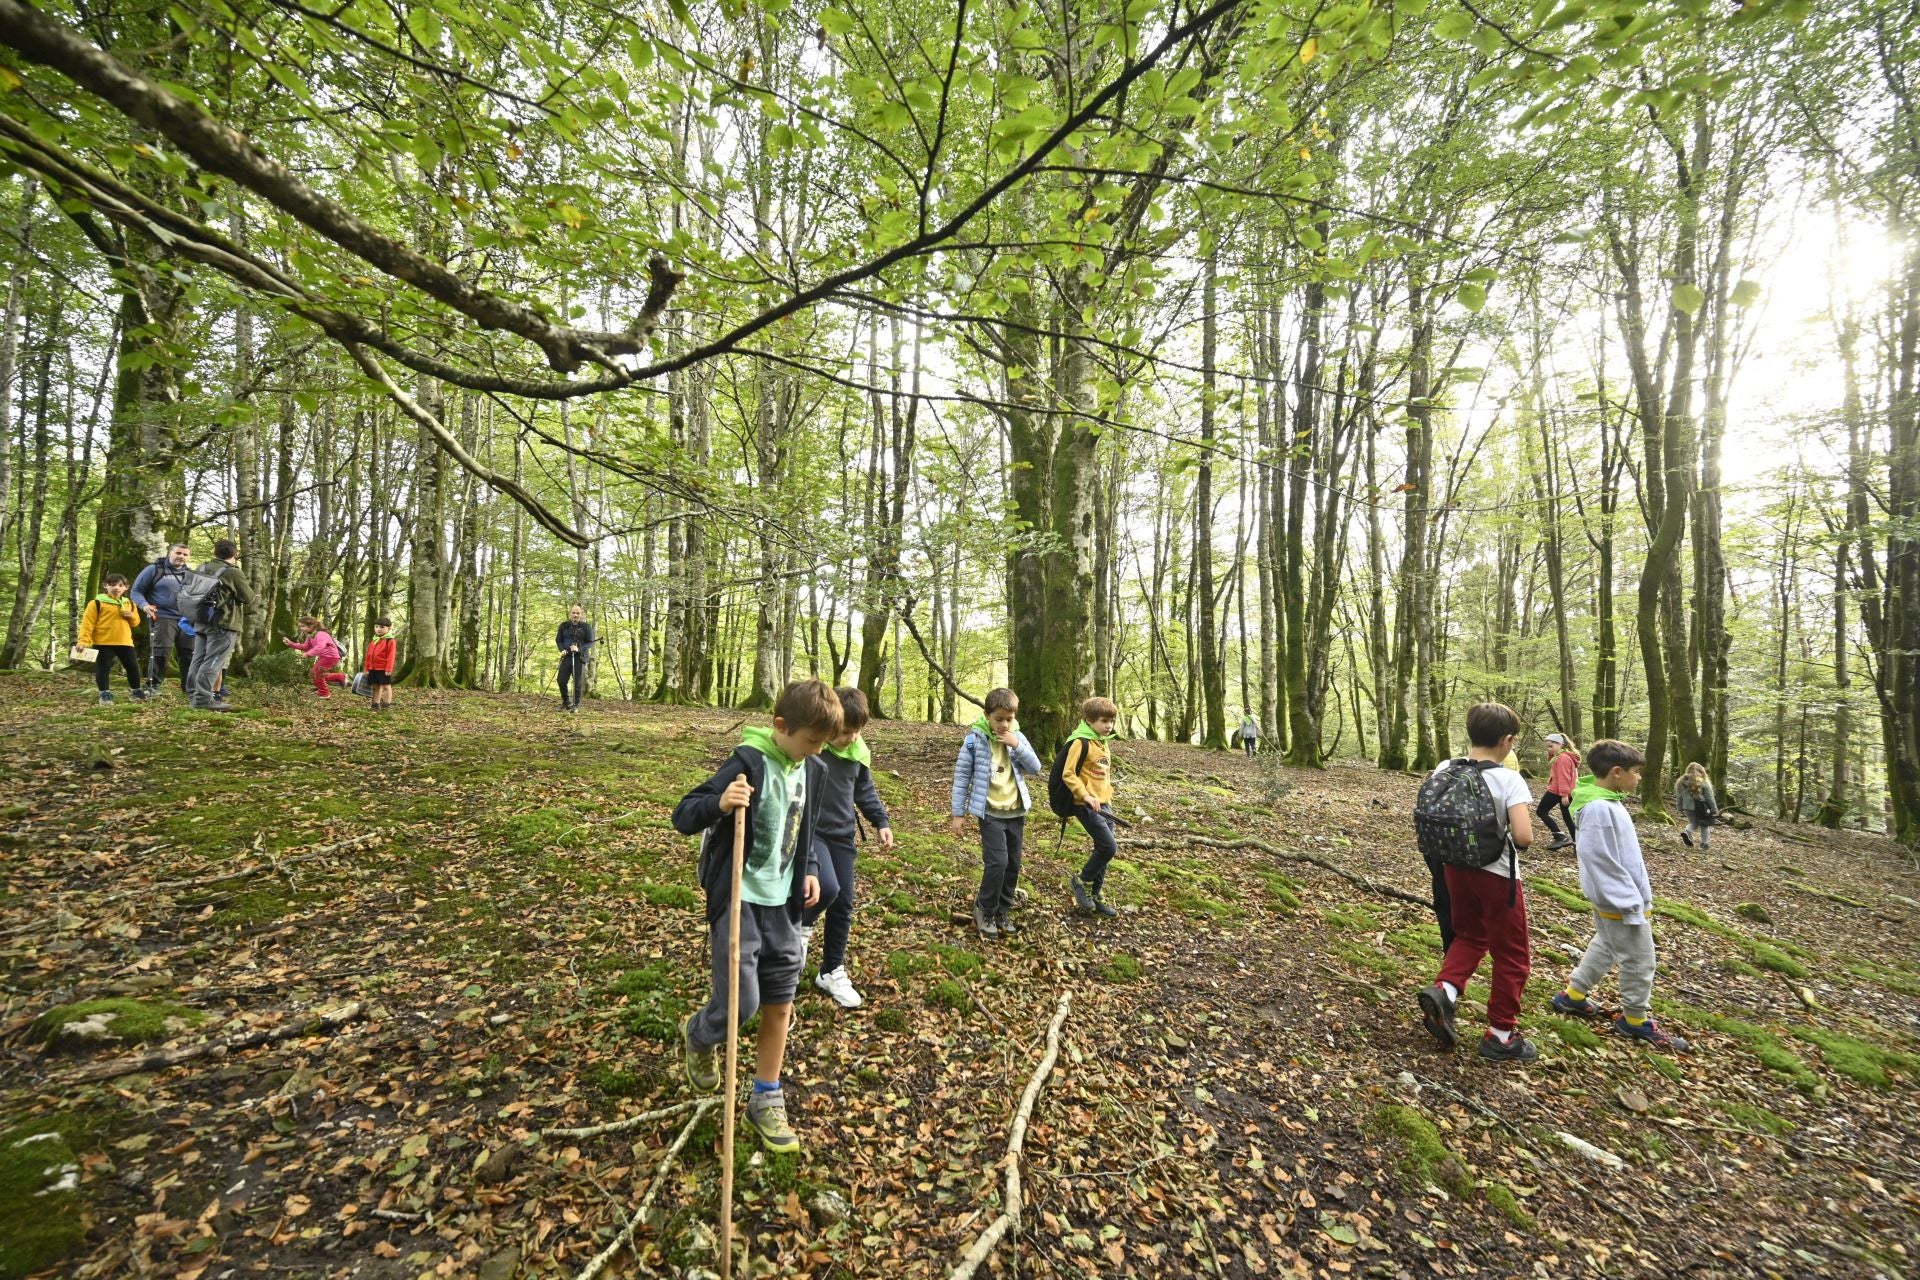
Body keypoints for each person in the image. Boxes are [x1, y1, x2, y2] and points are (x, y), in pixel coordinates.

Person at [672, 679, 839, 1153]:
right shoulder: (748, 763)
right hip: (741, 904)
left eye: (822, 744)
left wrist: (807, 867)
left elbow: (803, 824)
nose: (815, 751)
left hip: (784, 907)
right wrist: (721, 803)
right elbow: (684, 814)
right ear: (781, 726)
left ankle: (765, 1096)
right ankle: (700, 1033)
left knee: (780, 1004)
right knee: (739, 1006)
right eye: (810, 741)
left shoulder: (812, 768)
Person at [1416, 702, 1537, 1062]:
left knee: (1469, 934)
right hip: (1497, 874)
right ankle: (1500, 1035)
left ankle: (1445, 991)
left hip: (1453, 867)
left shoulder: (1444, 768)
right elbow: (1524, 836)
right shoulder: (1508, 779)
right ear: (1507, 740)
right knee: (1513, 955)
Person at [1553, 740, 1692, 1052]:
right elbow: (1599, 860)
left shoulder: (1607, 802)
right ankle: (1634, 1019)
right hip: (1619, 901)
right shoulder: (1600, 808)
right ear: (1616, 772)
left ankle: (1572, 996)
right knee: (1641, 959)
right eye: (1636, 772)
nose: (1640, 777)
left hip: (1618, 898)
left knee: (1606, 945)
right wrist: (1629, 902)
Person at [805, 687, 894, 1008]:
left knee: (843, 902)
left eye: (858, 731)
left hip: (842, 836)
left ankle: (830, 970)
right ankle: (798, 930)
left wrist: (881, 821)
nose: (852, 738)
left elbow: (865, 791)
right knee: (824, 888)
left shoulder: (857, 752)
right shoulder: (812, 750)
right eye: (845, 731)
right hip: (811, 833)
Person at [948, 688, 1042, 939]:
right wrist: (958, 814)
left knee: (1013, 864)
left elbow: (1035, 767)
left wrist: (1017, 745)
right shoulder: (974, 740)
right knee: (997, 863)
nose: (1004, 724)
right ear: (987, 715)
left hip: (1015, 813)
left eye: (1009, 719)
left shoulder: (1017, 737)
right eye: (998, 718)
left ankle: (1003, 910)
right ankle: (985, 909)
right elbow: (961, 778)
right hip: (990, 813)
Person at [1064, 697, 1123, 918]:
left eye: (1112, 721)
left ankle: (1096, 896)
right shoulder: (1081, 742)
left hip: (1105, 804)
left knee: (1104, 851)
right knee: (1109, 847)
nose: (1109, 725)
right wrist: (1085, 795)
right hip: (1086, 804)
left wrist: (1106, 797)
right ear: (1089, 720)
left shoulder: (1102, 742)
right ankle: (1081, 881)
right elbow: (1068, 774)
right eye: (1103, 720)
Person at [185, 539, 256, 712]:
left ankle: (194, 694)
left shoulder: (203, 567)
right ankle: (202, 700)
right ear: (235, 554)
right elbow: (248, 597)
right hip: (223, 623)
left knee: (198, 659)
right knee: (214, 661)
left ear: (215, 552)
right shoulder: (232, 572)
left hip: (201, 621)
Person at [130, 543, 194, 695]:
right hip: (163, 616)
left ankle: (189, 687)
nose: (181, 557)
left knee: (189, 653)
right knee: (161, 651)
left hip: (187, 619)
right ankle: (153, 685)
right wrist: (144, 606)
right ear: (169, 553)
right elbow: (136, 591)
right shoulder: (154, 569)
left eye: (185, 554)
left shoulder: (191, 574)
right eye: (178, 553)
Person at [78, 574, 146, 705]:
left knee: (132, 667)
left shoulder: (129, 603)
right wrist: (83, 641)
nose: (116, 588)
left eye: (120, 585)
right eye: (112, 584)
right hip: (103, 642)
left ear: (126, 588)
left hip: (125, 642)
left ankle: (136, 691)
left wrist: (131, 616)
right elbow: (87, 623)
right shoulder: (96, 603)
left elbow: (136, 623)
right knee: (103, 668)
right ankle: (104, 694)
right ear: (105, 586)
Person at [285, 616, 348, 698]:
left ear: (311, 626)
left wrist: (307, 654)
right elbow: (305, 646)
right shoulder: (310, 636)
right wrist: (290, 644)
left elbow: (320, 647)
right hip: (325, 657)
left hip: (331, 656)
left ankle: (324, 693)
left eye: (303, 626)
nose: (301, 629)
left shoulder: (321, 634)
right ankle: (341, 677)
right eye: (300, 627)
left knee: (314, 672)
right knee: (319, 673)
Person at [1539, 732, 1580, 851]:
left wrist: (1564, 795)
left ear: (1560, 744)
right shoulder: (1562, 756)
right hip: (1564, 791)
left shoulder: (1563, 758)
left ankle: (1560, 836)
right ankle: (1578, 846)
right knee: (1568, 819)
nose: (1548, 749)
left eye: (1550, 746)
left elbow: (1564, 777)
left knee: (1541, 811)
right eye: (1547, 747)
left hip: (1558, 791)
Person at [555, 604, 595, 712]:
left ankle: (576, 705)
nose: (575, 615)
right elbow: (558, 640)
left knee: (577, 682)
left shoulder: (586, 627)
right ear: (570, 613)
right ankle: (566, 702)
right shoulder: (563, 625)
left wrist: (579, 649)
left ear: (581, 614)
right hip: (566, 656)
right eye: (573, 613)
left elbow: (590, 642)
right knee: (561, 680)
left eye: (577, 613)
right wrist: (562, 649)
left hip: (580, 658)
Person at [1676, 762, 1717, 848]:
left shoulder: (1681, 781)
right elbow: (1709, 797)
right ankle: (1704, 843)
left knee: (1693, 823)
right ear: (1701, 772)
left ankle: (1687, 832)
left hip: (1687, 807)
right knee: (1705, 825)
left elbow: (1679, 796)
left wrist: (1679, 807)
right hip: (1702, 807)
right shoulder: (1704, 782)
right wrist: (1714, 809)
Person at [362, 617, 397, 712]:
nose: (378, 629)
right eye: (376, 626)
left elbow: (391, 656)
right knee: (375, 686)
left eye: (382, 627)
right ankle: (375, 704)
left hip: (383, 668)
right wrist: (367, 668)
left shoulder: (390, 640)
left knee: (386, 686)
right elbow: (368, 655)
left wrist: (389, 669)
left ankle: (386, 704)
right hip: (373, 668)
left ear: (388, 628)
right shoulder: (374, 640)